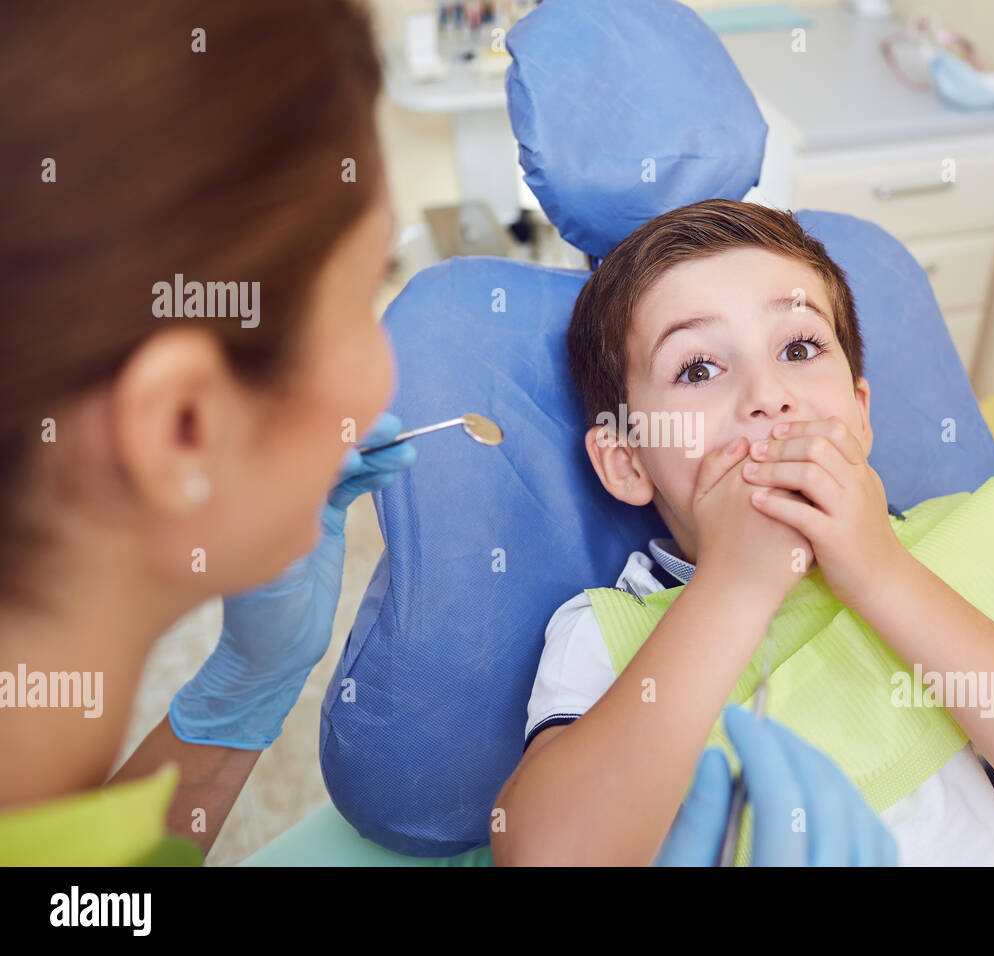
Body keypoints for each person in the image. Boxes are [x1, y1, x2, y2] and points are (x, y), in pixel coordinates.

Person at [0, 0, 893, 866]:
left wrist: (236, 701)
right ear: (182, 429)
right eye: (360, 301)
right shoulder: (601, 642)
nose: (392, 367)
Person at [493, 198, 994, 866]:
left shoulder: (929, 556)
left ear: (859, 418)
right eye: (697, 368)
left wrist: (882, 574)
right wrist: (734, 586)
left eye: (798, 347)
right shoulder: (603, 635)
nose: (768, 393)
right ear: (628, 460)